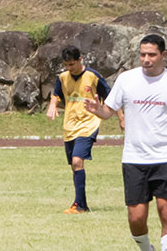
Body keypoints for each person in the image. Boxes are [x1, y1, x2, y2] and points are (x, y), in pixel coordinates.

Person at [85, 34, 167, 251]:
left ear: (164, 56)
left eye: (152, 55)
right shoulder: (127, 79)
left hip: (166, 156)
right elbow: (109, 110)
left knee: (166, 211)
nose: (146, 59)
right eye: (143, 54)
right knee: (136, 217)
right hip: (134, 158)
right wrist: (98, 111)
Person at [45, 45, 121, 213]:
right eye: (66, 65)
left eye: (72, 64)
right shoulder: (63, 77)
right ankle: (82, 204)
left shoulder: (93, 76)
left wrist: (121, 118)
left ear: (80, 60)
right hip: (70, 125)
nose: (69, 68)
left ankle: (78, 205)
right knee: (74, 165)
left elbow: (111, 97)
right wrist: (52, 105)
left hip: (89, 124)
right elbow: (56, 94)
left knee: (77, 160)